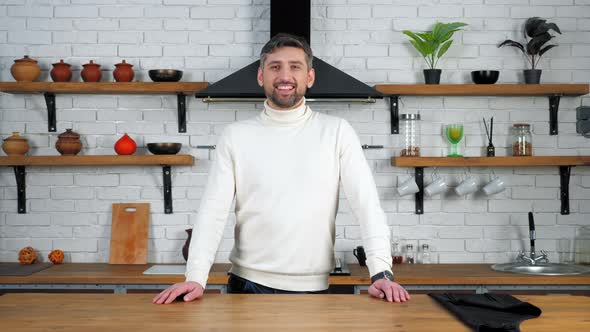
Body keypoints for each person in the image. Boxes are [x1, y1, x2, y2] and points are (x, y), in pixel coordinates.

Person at [153, 33, 410, 304]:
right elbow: (212, 211)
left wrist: (381, 272)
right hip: (246, 287)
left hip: (313, 290)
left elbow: (367, 206)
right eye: (275, 66)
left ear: (309, 77)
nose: (284, 75)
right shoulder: (235, 135)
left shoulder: (337, 132)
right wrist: (194, 276)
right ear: (260, 76)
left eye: (295, 66)